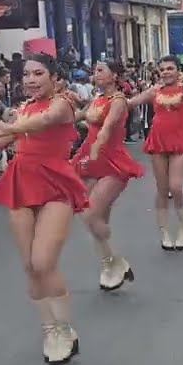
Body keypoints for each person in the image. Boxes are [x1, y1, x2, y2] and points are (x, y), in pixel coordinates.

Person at [0, 57, 88, 365]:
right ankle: (49, 330)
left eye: (38, 73)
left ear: (55, 78)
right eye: (26, 74)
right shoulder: (23, 109)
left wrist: (8, 125)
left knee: (43, 262)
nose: (31, 79)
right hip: (22, 182)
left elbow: (44, 121)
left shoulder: (62, 104)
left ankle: (65, 329)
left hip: (56, 183)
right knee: (29, 266)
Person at [71, 60, 143, 290]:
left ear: (115, 76)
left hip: (112, 161)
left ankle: (117, 261)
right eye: (95, 71)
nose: (96, 74)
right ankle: (109, 265)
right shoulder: (96, 98)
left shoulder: (118, 100)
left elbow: (109, 126)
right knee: (96, 219)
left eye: (101, 70)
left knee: (90, 215)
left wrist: (99, 141)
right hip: (90, 160)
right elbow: (77, 117)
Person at [128, 55, 183, 250]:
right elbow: (131, 103)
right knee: (162, 190)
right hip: (158, 141)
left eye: (170, 68)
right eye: (163, 69)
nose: (166, 72)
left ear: (178, 70)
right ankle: (165, 232)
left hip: (180, 142)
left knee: (176, 187)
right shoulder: (155, 90)